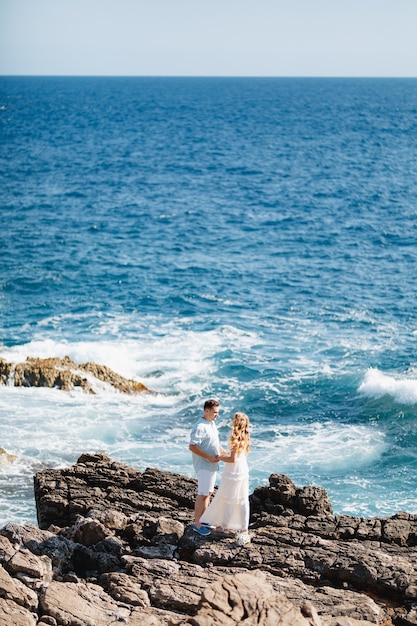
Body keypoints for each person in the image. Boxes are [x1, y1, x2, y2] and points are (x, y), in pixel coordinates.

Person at [199, 411, 251, 545]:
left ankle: (224, 526)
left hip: (233, 470)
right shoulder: (245, 436)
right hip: (243, 469)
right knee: (241, 498)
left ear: (236, 422)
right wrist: (225, 453)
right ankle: (243, 528)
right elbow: (237, 456)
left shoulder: (235, 438)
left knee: (228, 497)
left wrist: (219, 458)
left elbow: (232, 459)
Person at [189, 398, 222, 536]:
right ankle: (197, 524)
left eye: (218, 412)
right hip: (203, 465)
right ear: (206, 410)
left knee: (208, 493)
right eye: (215, 412)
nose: (217, 415)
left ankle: (205, 520)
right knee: (202, 494)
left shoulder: (212, 424)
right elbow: (192, 446)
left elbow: (214, 443)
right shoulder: (200, 426)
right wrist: (208, 457)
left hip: (212, 465)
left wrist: (225, 453)